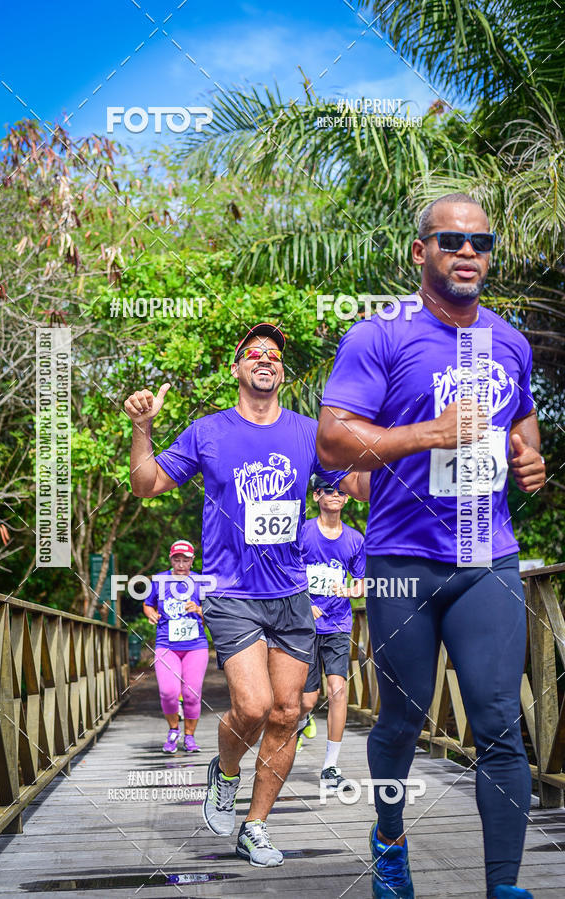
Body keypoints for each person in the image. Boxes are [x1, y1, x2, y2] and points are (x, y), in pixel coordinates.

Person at [316, 194, 546, 899]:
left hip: (487, 557)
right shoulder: (379, 335)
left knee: (501, 724)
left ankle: (503, 886)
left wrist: (528, 458)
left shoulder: (509, 341)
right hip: (401, 560)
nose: (468, 252)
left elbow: (524, 425)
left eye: (481, 242)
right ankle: (389, 838)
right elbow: (331, 438)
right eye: (451, 240)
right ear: (421, 252)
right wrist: (428, 434)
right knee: (402, 718)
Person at [125, 323, 369, 867]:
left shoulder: (309, 432)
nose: (266, 359)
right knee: (253, 706)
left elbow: (359, 487)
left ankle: (255, 826)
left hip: (291, 594)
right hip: (232, 593)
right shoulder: (208, 432)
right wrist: (142, 428)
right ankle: (225, 769)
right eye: (254, 353)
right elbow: (146, 485)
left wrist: (393, 442)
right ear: (236, 369)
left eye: (275, 355)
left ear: (281, 372)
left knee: (287, 713)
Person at [297, 475, 366, 791]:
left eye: (341, 491)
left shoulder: (354, 540)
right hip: (304, 625)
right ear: (316, 496)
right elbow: (285, 572)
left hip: (338, 624)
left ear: (348, 498)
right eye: (328, 490)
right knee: (307, 701)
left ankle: (330, 767)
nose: (335, 495)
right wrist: (303, 603)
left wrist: (352, 589)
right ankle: (302, 722)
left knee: (338, 690)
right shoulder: (303, 532)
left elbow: (364, 581)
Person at [143, 540, 209, 753]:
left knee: (191, 693)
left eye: (185, 560)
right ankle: (173, 730)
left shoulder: (201, 581)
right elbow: (147, 603)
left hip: (195, 646)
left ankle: (189, 737)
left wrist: (199, 609)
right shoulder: (160, 580)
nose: (181, 564)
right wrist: (150, 613)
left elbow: (214, 611)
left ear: (192, 561)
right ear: (170, 559)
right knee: (169, 692)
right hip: (166, 645)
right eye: (176, 559)